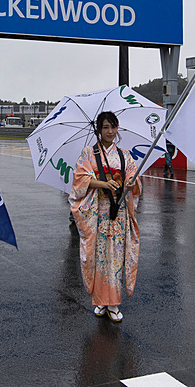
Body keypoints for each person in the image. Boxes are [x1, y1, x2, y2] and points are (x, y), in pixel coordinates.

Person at [69, 111, 140, 322]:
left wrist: (131, 184)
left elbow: (133, 178)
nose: (110, 131)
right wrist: (102, 183)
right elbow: (79, 179)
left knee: (116, 257)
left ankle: (114, 303)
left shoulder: (124, 155)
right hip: (98, 211)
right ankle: (101, 300)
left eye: (113, 127)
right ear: (99, 130)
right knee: (99, 257)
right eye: (106, 127)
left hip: (118, 213)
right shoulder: (89, 153)